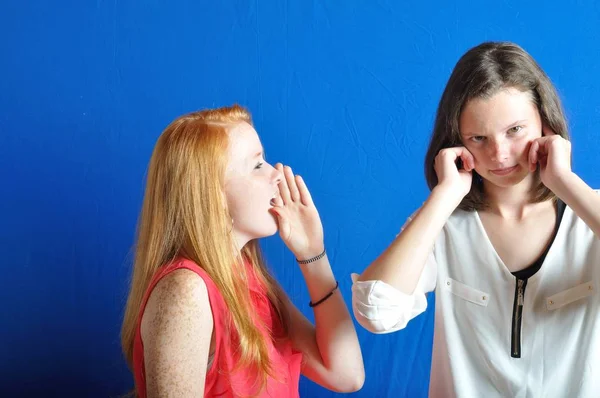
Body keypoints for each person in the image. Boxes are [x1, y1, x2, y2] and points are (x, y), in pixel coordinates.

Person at [352, 41, 600, 397]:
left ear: (545, 123)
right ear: (457, 141)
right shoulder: (441, 226)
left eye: (515, 130)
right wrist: (445, 195)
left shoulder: (589, 217)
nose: (499, 154)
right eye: (478, 138)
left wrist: (566, 184)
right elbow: (376, 311)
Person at [121, 104, 364, 397]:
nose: (277, 173)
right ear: (213, 196)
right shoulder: (186, 291)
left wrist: (312, 252)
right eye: (257, 164)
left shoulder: (250, 280)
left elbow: (346, 375)